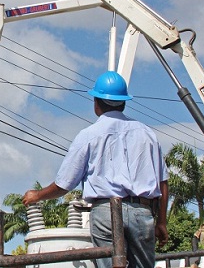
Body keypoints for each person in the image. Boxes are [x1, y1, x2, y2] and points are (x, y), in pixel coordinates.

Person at [22, 71, 169, 268]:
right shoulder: (147, 134)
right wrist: (162, 222)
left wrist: (37, 195)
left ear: (96, 104)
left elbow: (64, 184)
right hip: (141, 213)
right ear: (124, 102)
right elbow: (163, 183)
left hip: (105, 212)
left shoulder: (89, 135)